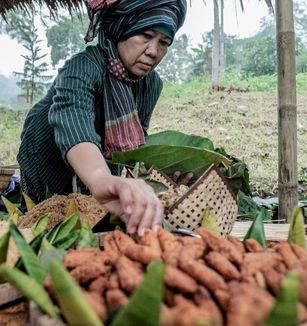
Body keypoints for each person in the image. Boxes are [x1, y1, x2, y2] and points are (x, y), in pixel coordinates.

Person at [17, 0, 187, 236]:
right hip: (48, 150)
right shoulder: (84, 67)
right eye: (146, 36)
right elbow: (73, 123)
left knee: (94, 218)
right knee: (49, 223)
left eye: (164, 43)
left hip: (99, 158)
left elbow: (134, 142)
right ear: (122, 28)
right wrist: (99, 178)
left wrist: (161, 172)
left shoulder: (150, 84)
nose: (153, 51)